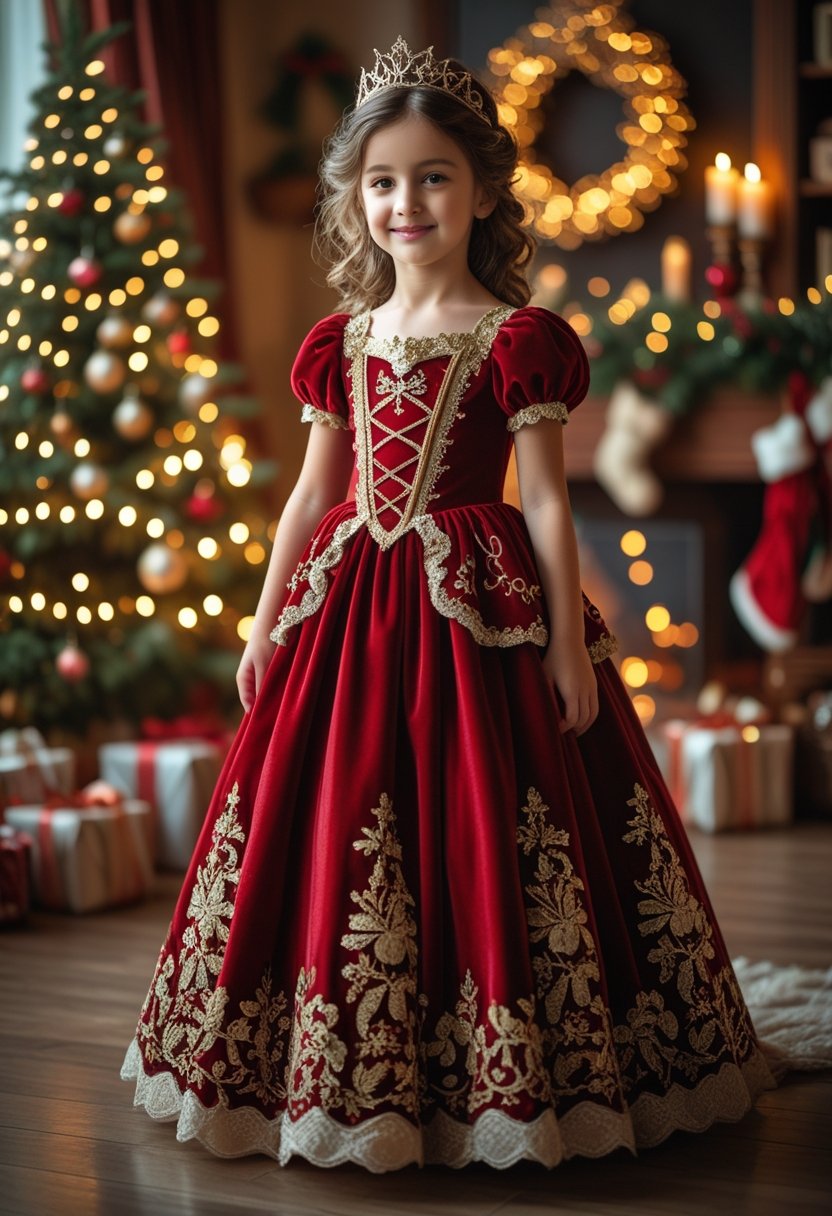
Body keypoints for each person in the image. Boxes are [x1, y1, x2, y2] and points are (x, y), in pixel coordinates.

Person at [121, 36, 778, 1172]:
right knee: (335, 823)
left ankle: (502, 1064)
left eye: (433, 177)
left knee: (492, 819)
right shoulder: (341, 342)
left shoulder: (516, 339)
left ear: (480, 192)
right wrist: (265, 622)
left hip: (479, 607)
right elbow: (311, 495)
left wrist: (566, 645)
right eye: (382, 181)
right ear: (356, 199)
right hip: (345, 608)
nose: (406, 202)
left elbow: (550, 502)